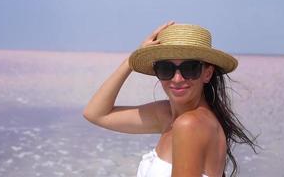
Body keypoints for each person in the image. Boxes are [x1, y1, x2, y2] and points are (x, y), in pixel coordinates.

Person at [83, 22, 258, 177]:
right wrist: (131, 61)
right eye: (166, 68)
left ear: (207, 73)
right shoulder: (167, 115)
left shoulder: (189, 125)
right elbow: (96, 114)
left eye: (190, 68)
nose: (177, 79)